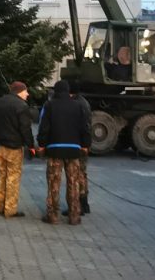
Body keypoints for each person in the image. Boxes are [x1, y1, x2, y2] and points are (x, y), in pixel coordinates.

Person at [37, 79, 90, 225]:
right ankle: (74, 215)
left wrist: (42, 144)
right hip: (74, 150)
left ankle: (53, 215)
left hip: (54, 150)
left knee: (54, 183)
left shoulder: (49, 105)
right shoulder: (78, 106)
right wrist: (85, 145)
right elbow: (84, 127)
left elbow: (44, 127)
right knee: (73, 183)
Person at [0, 80, 34, 219]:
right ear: (19, 92)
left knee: (2, 176)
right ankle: (10, 210)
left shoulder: (1, 102)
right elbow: (25, 129)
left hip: (1, 146)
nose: (27, 94)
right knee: (13, 178)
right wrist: (31, 146)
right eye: (25, 91)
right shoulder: (22, 106)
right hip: (14, 148)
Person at [64, 80, 92, 215]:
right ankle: (84, 203)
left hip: (79, 145)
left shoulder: (76, 104)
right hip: (83, 144)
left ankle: (79, 206)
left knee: (77, 175)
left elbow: (83, 127)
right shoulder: (84, 102)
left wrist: (84, 144)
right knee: (82, 174)